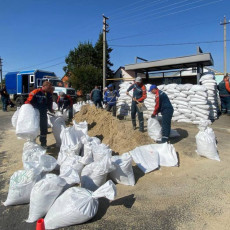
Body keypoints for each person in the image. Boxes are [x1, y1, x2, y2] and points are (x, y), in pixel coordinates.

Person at [25, 81, 54, 148]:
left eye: (50, 88)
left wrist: (51, 110)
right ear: (43, 86)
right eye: (48, 88)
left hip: (43, 114)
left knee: (44, 129)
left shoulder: (48, 94)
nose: (49, 89)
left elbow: (49, 103)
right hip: (35, 114)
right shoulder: (36, 92)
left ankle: (43, 144)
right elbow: (28, 102)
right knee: (34, 128)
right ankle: (32, 145)